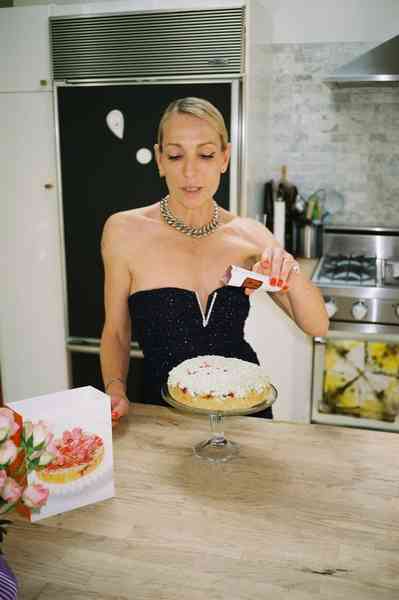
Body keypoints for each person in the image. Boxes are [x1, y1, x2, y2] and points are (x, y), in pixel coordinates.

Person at [100, 97, 329, 426]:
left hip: (245, 416)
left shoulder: (250, 236)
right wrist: (115, 389)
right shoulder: (123, 231)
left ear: (224, 157)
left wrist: (288, 270)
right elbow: (116, 331)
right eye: (176, 155)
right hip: (161, 415)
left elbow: (317, 325)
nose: (190, 171)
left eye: (206, 155)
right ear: (160, 160)